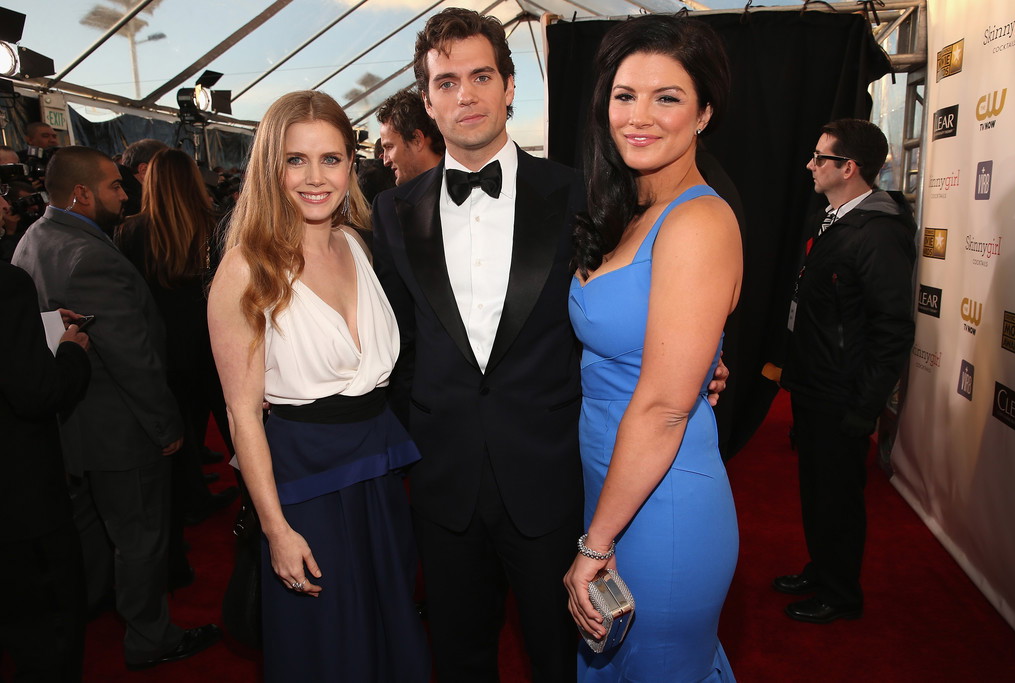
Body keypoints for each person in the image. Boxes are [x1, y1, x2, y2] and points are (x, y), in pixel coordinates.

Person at [374, 8, 728, 681]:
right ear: (427, 99)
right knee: (457, 656)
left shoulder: (584, 192)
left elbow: (636, 297)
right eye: (446, 82)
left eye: (482, 76)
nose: (466, 95)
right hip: (444, 484)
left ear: (511, 86)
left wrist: (706, 355)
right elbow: (399, 347)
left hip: (553, 477)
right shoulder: (391, 212)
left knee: (564, 659)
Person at [208, 90, 429, 682]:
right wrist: (276, 530)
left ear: (351, 166)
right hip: (306, 491)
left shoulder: (357, 245)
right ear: (269, 168)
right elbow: (242, 414)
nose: (314, 177)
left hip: (379, 480)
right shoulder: (246, 268)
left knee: (389, 635)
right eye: (294, 160)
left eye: (330, 159)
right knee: (331, 652)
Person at [562, 14, 741, 681]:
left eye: (667, 97)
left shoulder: (698, 219)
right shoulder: (626, 210)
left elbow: (666, 405)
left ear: (704, 112)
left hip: (662, 510)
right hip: (612, 488)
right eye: (624, 94)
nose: (639, 116)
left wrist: (594, 543)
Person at [11, 146, 221, 669]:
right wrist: (166, 425)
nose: (125, 194)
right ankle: (150, 636)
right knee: (141, 537)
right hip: (119, 427)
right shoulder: (92, 256)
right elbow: (133, 358)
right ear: (81, 194)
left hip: (72, 423)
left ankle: (89, 609)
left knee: (89, 529)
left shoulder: (33, 238)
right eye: (114, 187)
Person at [775, 119, 916, 623]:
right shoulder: (830, 219)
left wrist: (865, 407)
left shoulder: (878, 234)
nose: (810, 165)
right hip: (815, 384)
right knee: (817, 489)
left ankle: (841, 593)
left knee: (838, 496)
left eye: (820, 158)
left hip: (844, 393)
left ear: (848, 168)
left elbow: (893, 329)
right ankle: (823, 569)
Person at [114, 148, 238, 591]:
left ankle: (189, 509)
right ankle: (256, 507)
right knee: (238, 431)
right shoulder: (215, 225)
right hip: (214, 346)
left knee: (177, 436)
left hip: (163, 351)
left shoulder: (131, 231)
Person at [0, 261, 90, 682]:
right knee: (48, 630)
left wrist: (44, 323)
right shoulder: (8, 282)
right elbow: (37, 391)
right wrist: (73, 353)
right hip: (21, 499)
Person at [377, 89, 445, 185]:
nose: (385, 161)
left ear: (417, 140)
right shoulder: (388, 198)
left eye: (389, 147)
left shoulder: (467, 188)